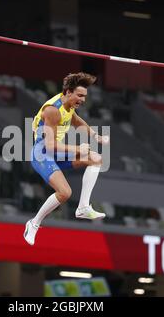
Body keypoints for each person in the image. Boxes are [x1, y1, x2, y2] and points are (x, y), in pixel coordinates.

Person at [24, 72, 109, 246]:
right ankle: (34, 223)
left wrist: (95, 136)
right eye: (79, 95)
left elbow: (76, 120)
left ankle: (83, 207)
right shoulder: (52, 110)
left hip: (57, 152)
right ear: (68, 92)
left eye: (84, 96)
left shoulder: (69, 106)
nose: (83, 100)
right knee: (65, 193)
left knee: (96, 158)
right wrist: (79, 148)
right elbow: (50, 146)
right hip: (42, 154)